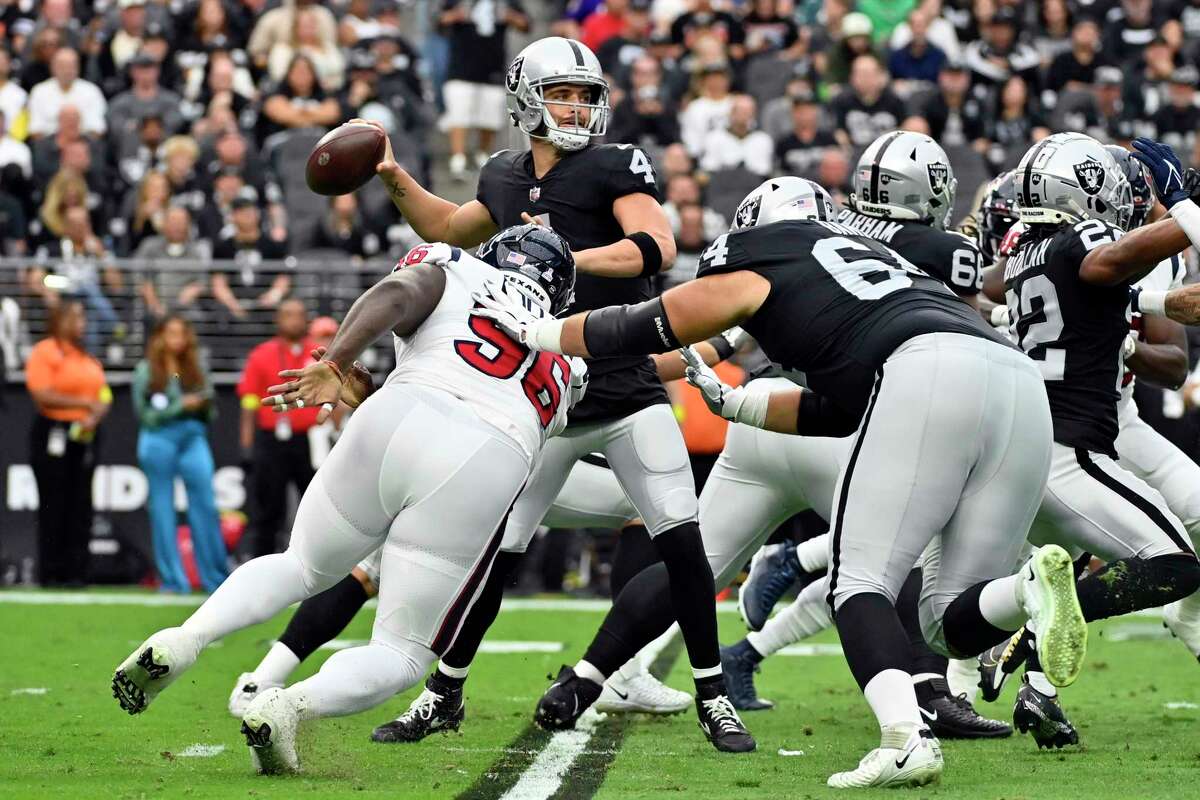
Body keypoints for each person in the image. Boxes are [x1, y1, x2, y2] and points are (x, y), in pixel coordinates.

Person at [475, 175, 1089, 787]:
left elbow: (654, 323)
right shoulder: (876, 261)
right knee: (944, 619)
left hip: (919, 377)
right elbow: (843, 408)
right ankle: (1025, 590)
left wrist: (539, 333)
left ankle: (904, 738)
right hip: (1015, 381)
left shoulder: (763, 250)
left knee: (855, 580)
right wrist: (738, 406)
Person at [357, 36, 753, 752]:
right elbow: (449, 227)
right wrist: (390, 174)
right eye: (564, 93)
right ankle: (443, 694)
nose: (577, 106)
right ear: (526, 98)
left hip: (627, 386)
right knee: (496, 552)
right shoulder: (503, 175)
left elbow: (655, 245)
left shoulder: (613, 165)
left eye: (585, 95)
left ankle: (714, 695)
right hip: (544, 397)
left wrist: (567, 254)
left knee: (684, 543)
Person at [112, 226, 583, 777]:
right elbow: (489, 395)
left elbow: (396, 296)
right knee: (402, 653)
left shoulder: (457, 268)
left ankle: (185, 639)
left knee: (300, 566)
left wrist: (337, 362)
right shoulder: (570, 359)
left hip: (399, 411)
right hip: (486, 456)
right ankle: (286, 705)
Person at [133, 316, 227, 594]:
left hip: (193, 437)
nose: (176, 339)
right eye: (170, 333)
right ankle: (173, 581)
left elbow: (211, 411)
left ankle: (215, 579)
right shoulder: (146, 370)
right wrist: (180, 405)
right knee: (162, 509)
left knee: (206, 507)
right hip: (158, 440)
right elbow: (146, 416)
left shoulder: (196, 367)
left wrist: (202, 404)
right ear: (159, 337)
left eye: (181, 333)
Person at [25, 299, 111, 587]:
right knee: (53, 501)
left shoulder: (86, 357)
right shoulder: (45, 352)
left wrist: (96, 413)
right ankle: (51, 572)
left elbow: (103, 393)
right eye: (77, 317)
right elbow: (42, 393)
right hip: (54, 431)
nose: (83, 323)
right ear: (60, 320)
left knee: (81, 503)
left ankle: (77, 572)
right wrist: (84, 403)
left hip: (85, 434)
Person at [236, 298, 319, 559]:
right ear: (278, 320)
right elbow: (249, 401)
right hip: (272, 440)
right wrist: (247, 444)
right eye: (288, 314)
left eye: (299, 314)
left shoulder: (318, 353)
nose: (294, 320)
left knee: (318, 505)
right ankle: (261, 562)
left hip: (311, 439)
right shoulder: (262, 354)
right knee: (269, 508)